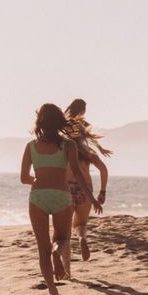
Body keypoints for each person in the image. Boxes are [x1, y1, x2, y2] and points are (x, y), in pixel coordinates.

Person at [20, 103, 103, 295]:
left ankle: (52, 290)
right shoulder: (69, 145)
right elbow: (77, 173)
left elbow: (23, 177)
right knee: (62, 239)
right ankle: (57, 252)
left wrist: (37, 179)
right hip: (61, 195)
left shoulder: (31, 146)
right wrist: (92, 198)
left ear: (39, 121)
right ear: (59, 121)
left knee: (42, 248)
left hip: (38, 196)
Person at [64, 98, 112, 261]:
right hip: (85, 190)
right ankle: (82, 238)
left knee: (64, 229)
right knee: (80, 224)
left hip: (66, 188)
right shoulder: (87, 153)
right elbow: (103, 170)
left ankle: (63, 259)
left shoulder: (62, 150)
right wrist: (102, 192)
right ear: (82, 110)